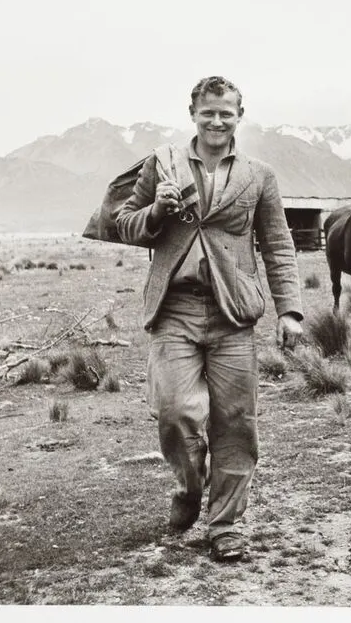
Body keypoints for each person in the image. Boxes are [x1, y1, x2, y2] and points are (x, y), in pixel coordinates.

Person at [116, 76, 303, 562]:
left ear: (240, 116)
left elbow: (279, 245)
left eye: (227, 113)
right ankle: (189, 487)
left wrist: (291, 311)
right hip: (173, 309)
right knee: (175, 414)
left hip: (233, 312)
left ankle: (224, 526)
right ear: (193, 114)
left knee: (236, 423)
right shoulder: (164, 164)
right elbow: (127, 225)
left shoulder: (259, 175)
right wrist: (157, 209)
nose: (217, 121)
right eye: (208, 113)